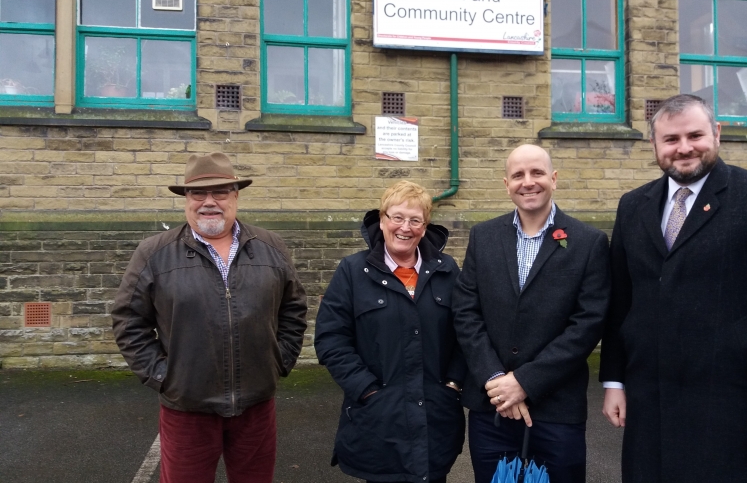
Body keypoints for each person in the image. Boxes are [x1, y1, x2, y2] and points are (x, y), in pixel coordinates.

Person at [599, 94, 747, 482]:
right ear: (654, 145)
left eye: (695, 135)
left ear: (716, 134)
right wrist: (614, 380)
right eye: (670, 139)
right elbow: (622, 302)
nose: (684, 148)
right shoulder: (633, 206)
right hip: (651, 410)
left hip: (733, 410)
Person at [112, 152, 308, 483]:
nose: (209, 202)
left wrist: (278, 361)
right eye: (198, 193)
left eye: (220, 192)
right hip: (187, 409)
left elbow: (293, 309)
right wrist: (165, 376)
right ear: (186, 199)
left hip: (256, 406)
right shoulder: (154, 253)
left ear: (235, 196)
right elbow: (128, 322)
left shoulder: (271, 247)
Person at [452, 144, 611, 483]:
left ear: (553, 179)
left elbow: (587, 324)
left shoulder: (587, 242)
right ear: (506, 183)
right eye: (518, 175)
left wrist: (524, 382)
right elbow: (466, 312)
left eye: (537, 173)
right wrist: (496, 380)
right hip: (492, 407)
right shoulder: (484, 236)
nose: (528, 182)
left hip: (556, 409)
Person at [314, 180, 466, 483]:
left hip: (435, 416)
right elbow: (331, 339)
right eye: (397, 217)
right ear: (382, 220)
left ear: (424, 227)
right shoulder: (353, 272)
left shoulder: (446, 270)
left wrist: (453, 384)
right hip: (379, 418)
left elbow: (467, 331)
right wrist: (367, 390)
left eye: (415, 220)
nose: (405, 227)